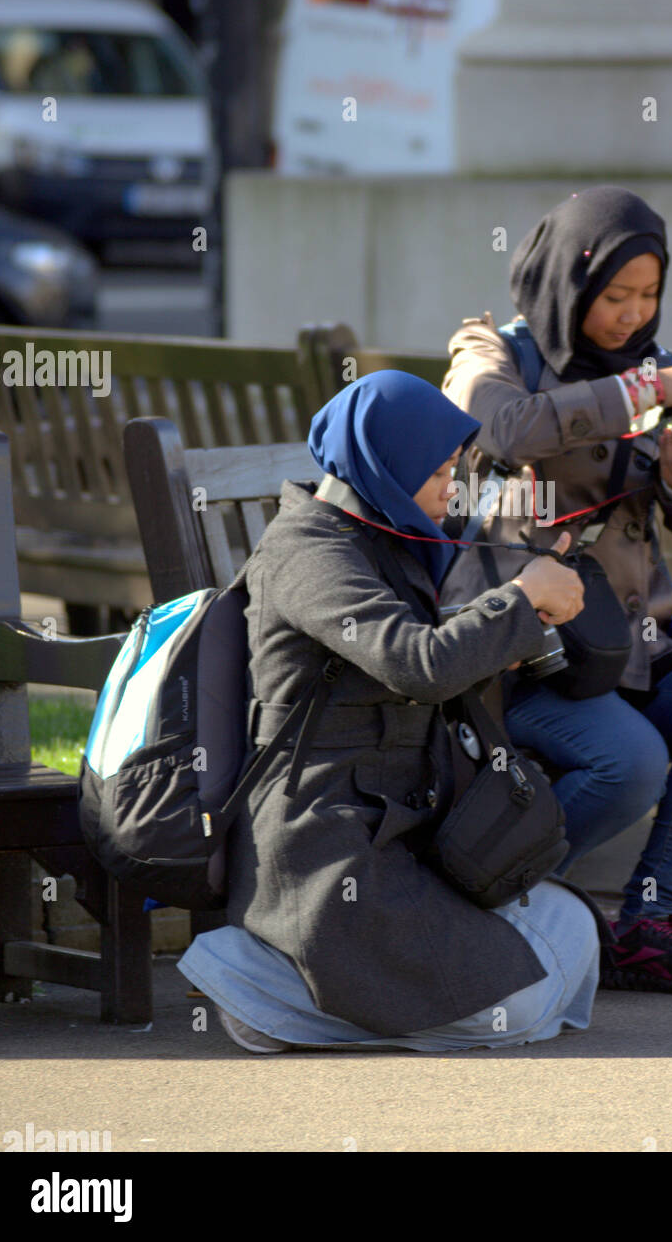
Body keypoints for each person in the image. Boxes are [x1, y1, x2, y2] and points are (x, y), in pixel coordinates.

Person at [178, 370, 603, 1054]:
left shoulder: (378, 536)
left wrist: (497, 634)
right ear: (383, 464)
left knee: (572, 932)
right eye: (436, 472)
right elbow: (414, 663)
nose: (450, 489)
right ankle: (253, 985)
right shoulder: (310, 550)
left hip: (401, 828)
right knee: (521, 1010)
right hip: (326, 843)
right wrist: (518, 601)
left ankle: (316, 998)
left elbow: (404, 660)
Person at [441, 186, 672, 996]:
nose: (632, 317)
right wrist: (641, 394)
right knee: (629, 763)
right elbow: (502, 426)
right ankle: (468, 899)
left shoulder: (652, 367)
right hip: (524, 654)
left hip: (628, 642)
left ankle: (648, 926)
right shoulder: (490, 349)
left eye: (648, 296)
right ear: (569, 282)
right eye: (613, 297)